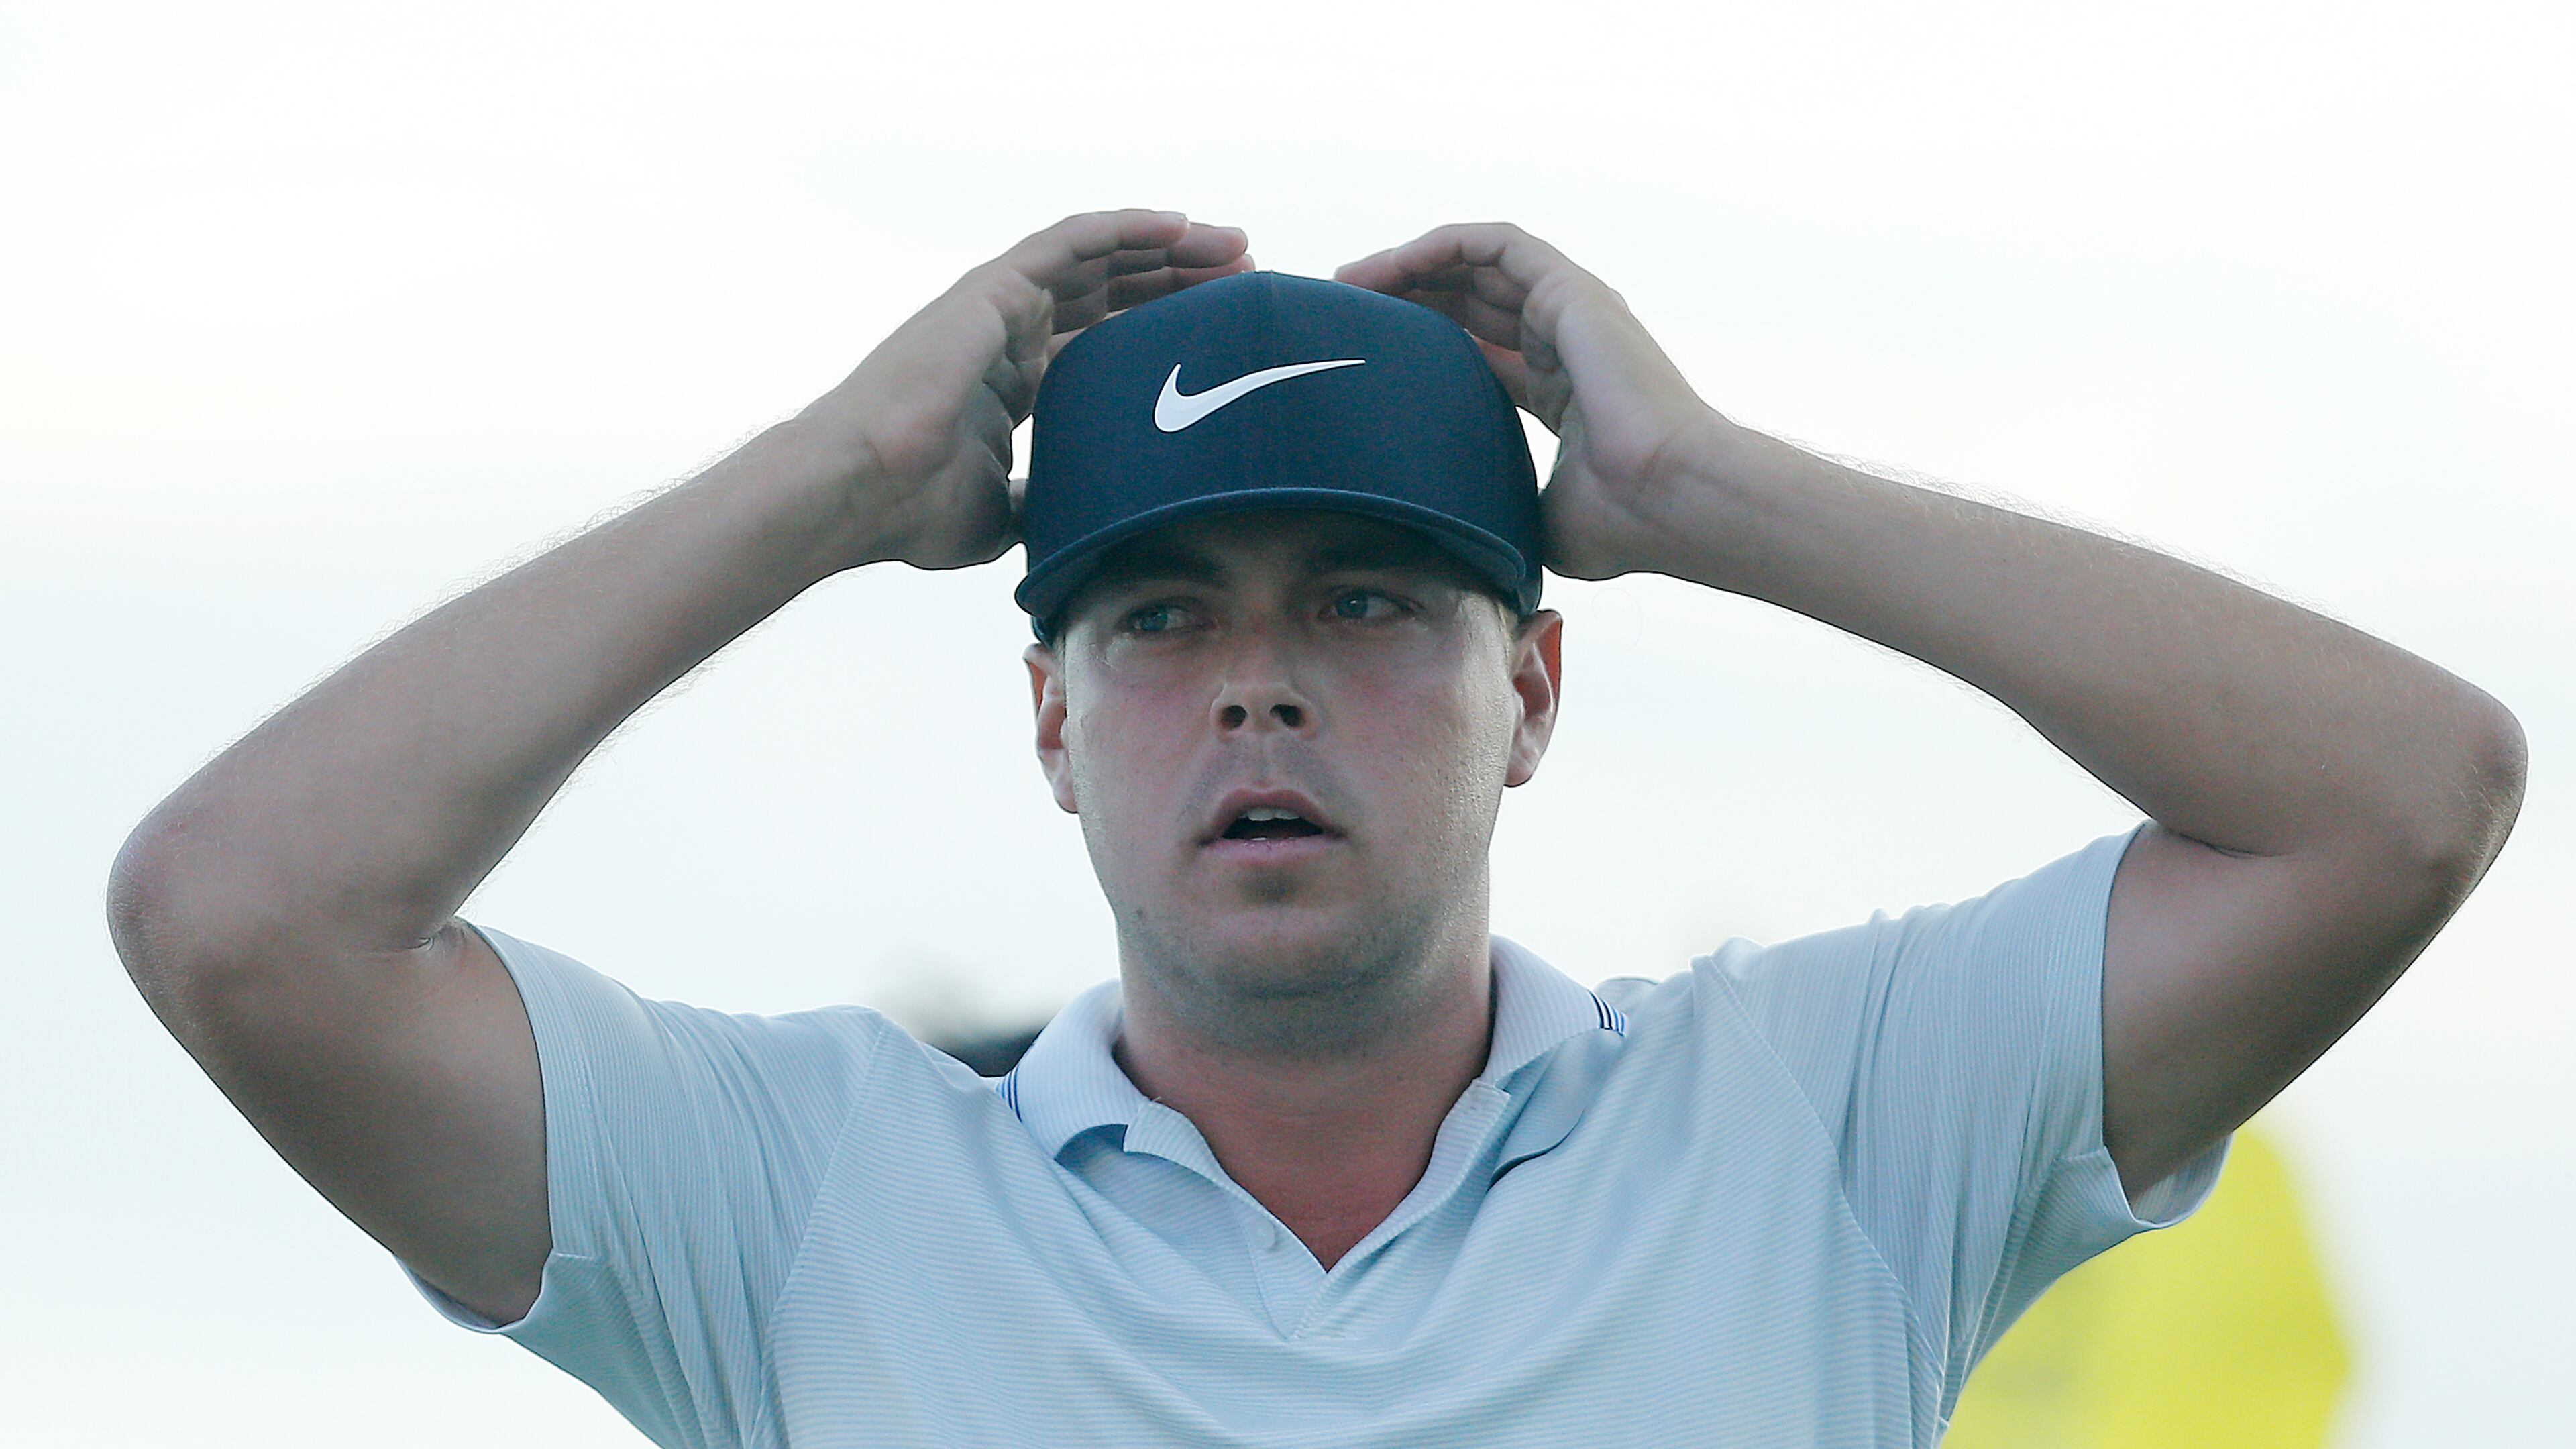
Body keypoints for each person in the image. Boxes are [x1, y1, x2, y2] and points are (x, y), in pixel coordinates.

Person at [106, 209, 2525, 1448]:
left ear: (1536, 687)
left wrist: (1706, 488)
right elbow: (237, 918)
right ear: (1048, 726)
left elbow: (2404, 795)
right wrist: (834, 479)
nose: (1256, 675)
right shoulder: (801, 1194)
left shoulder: (1829, 1118)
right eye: (1158, 619)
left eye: (1365, 598)